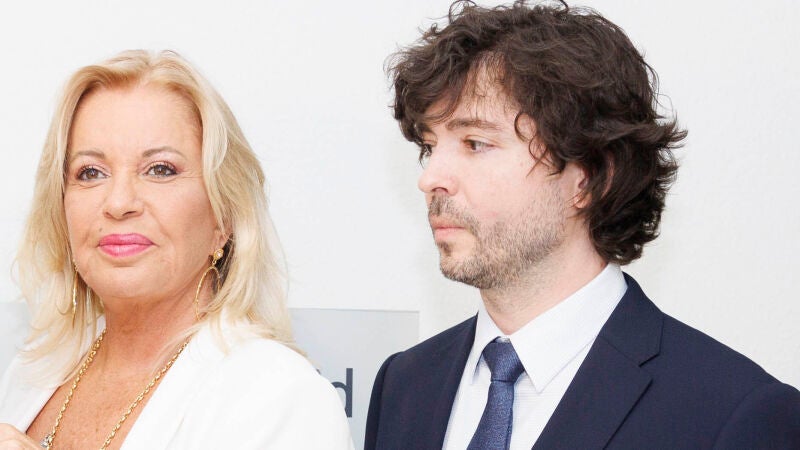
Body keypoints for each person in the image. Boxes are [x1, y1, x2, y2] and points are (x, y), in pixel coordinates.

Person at [365, 1, 800, 449]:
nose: (430, 179)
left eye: (475, 143)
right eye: (430, 146)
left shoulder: (730, 415)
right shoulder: (405, 384)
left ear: (589, 178)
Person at [0, 50, 353, 449]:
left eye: (160, 170)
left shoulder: (282, 397)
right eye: (91, 172)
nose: (119, 202)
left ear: (223, 217)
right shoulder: (33, 371)